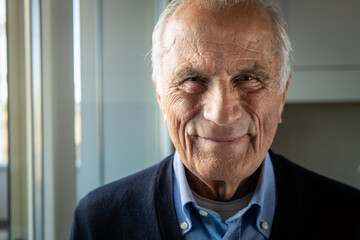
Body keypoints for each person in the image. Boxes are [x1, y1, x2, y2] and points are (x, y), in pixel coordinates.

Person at [70, 0, 360, 239]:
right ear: (160, 97)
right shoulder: (100, 223)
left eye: (248, 78)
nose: (221, 113)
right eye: (193, 79)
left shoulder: (348, 218)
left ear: (281, 96)